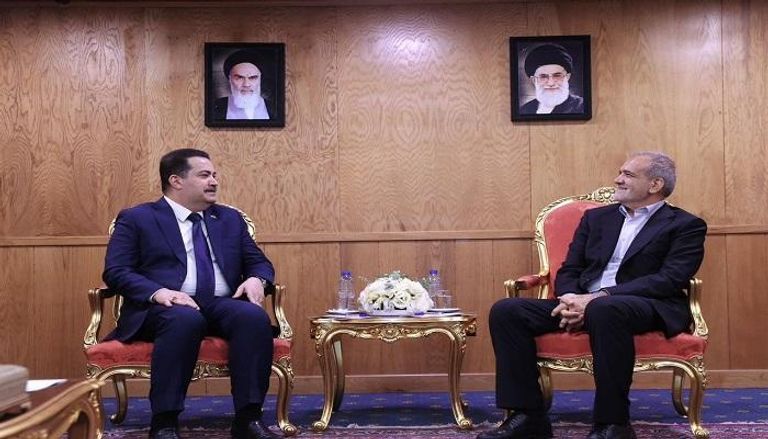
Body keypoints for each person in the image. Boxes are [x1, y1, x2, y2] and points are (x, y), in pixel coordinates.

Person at [479, 152, 707, 439]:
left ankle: (614, 424)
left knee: (605, 309)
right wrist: (570, 299)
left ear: (655, 184)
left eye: (628, 174)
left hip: (648, 304)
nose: (618, 179)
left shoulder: (685, 225)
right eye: (620, 172)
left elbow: (668, 280)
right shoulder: (597, 218)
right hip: (583, 302)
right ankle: (527, 417)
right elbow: (570, 268)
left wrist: (598, 297)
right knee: (507, 310)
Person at [103, 148, 281, 439]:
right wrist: (158, 292)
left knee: (251, 316)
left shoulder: (229, 219)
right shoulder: (138, 218)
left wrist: (256, 279)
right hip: (163, 308)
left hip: (220, 303)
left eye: (214, 175)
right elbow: (116, 271)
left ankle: (248, 419)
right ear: (176, 181)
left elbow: (258, 262)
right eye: (204, 175)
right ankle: (164, 423)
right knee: (184, 320)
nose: (214, 181)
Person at [519, 43, 584, 115]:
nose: (551, 83)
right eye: (543, 76)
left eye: (557, 76)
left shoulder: (581, 107)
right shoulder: (524, 110)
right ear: (534, 80)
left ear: (567, 77)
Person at [212, 50, 273, 120]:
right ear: (230, 79)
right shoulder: (214, 107)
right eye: (239, 78)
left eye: (252, 78)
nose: (246, 84)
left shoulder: (274, 108)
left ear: (260, 79)